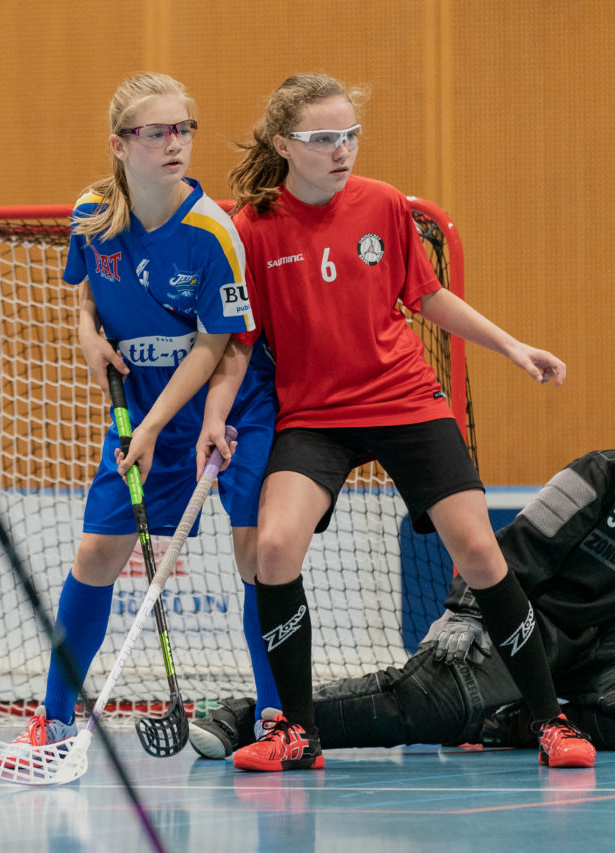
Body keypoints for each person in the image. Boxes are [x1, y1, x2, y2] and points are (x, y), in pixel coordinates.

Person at [219, 73, 592, 773]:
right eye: (323, 138)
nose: (341, 150)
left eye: (350, 135)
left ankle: (551, 719)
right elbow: (240, 341)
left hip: (405, 401)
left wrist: (512, 345)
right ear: (282, 144)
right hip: (315, 416)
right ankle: (297, 730)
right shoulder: (252, 228)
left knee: (481, 552)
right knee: (272, 549)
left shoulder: (384, 205)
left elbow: (426, 294)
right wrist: (216, 416)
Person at [193, 353, 615, 758]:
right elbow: (513, 552)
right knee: (415, 709)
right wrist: (466, 611)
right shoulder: (602, 474)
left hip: (601, 651)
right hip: (520, 629)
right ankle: (249, 714)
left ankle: (514, 724)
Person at [2, 71, 282, 757]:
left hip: (226, 405)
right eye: (156, 131)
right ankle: (56, 717)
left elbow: (218, 344)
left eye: (183, 128)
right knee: (97, 552)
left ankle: (278, 716)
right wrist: (88, 336)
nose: (174, 142)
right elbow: (86, 297)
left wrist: (158, 425)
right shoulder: (93, 213)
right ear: (120, 145)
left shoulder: (211, 232)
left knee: (255, 555)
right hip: (137, 403)